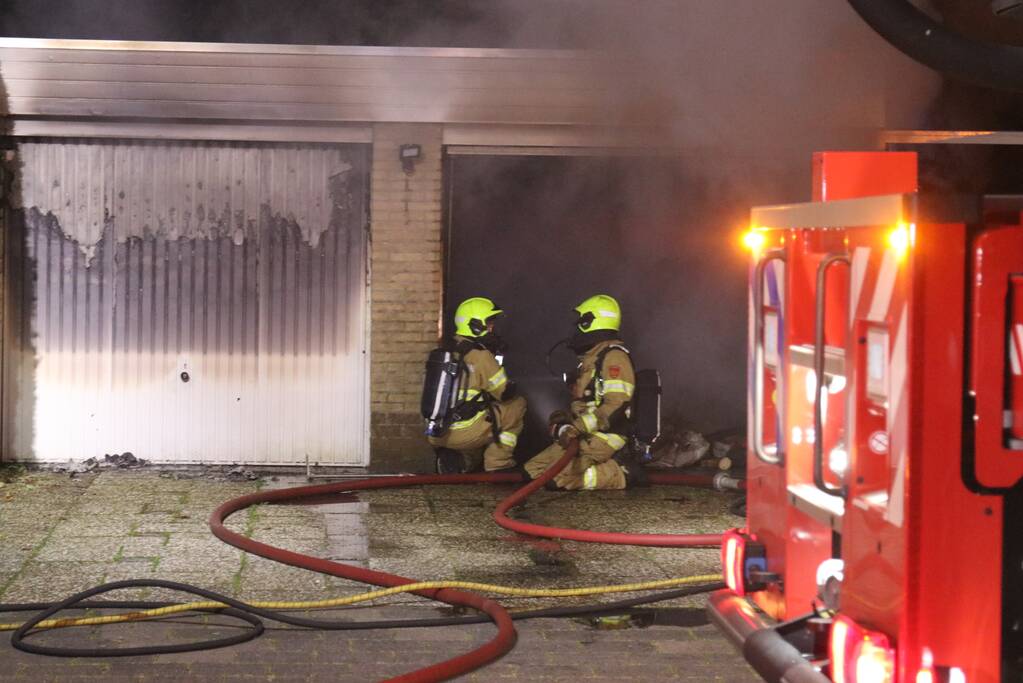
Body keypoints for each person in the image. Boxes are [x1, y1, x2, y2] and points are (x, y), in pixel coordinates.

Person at [524, 294, 646, 490]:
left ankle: (621, 474)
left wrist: (577, 427)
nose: (576, 328)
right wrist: (564, 421)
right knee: (532, 471)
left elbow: (616, 405)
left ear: (592, 322)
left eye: (582, 322)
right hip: (585, 433)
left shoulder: (614, 357)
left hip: (607, 435)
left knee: (557, 480)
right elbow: (584, 403)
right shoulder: (592, 359)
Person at [427, 297, 527, 474]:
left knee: (477, 409)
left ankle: (456, 460)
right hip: (465, 432)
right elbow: (504, 393)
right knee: (517, 405)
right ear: (475, 325)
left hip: (436, 432)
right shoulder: (480, 355)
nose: (492, 328)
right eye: (488, 323)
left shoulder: (445, 352)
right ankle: (498, 462)